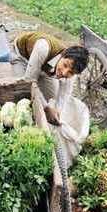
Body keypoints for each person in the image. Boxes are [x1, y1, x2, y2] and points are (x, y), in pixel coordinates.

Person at [10, 31, 90, 166]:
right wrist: (47, 108)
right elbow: (30, 81)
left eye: (70, 72)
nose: (64, 73)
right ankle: (22, 132)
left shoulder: (70, 72)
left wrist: (56, 114)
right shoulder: (43, 48)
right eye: (65, 65)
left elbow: (63, 95)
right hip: (23, 57)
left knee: (51, 98)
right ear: (63, 55)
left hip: (46, 68)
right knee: (24, 96)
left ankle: (46, 134)